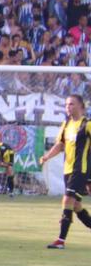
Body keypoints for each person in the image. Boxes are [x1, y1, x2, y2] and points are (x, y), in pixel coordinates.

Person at [41, 93, 91, 250]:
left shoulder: (87, 124)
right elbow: (60, 145)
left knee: (67, 200)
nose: (68, 107)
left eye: (72, 104)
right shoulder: (66, 124)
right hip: (68, 170)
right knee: (75, 205)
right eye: (67, 104)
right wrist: (47, 156)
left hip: (80, 169)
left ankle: (60, 240)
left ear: (82, 107)